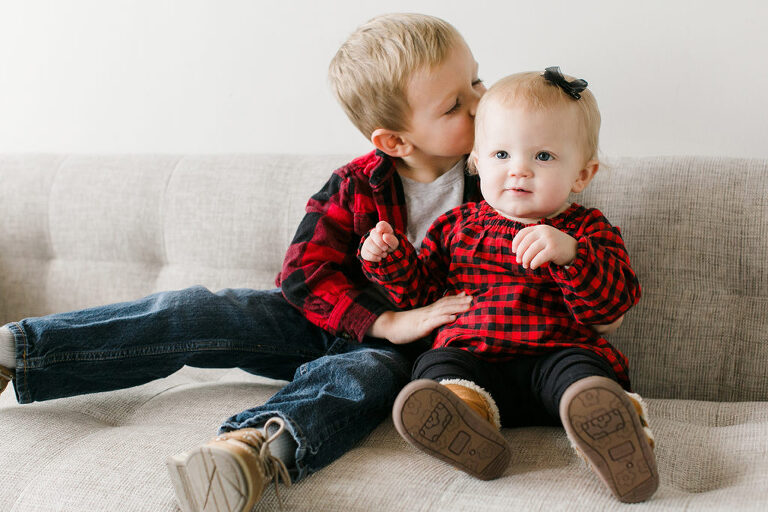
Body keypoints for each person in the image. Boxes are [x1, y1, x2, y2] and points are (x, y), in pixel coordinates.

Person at [0, 13, 485, 512]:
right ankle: (17, 350)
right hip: (327, 320)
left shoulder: (498, 179)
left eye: (476, 80)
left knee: (358, 377)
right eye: (455, 104)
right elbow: (302, 274)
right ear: (395, 142)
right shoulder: (357, 182)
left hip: (407, 353)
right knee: (195, 310)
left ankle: (247, 452)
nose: (481, 102)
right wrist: (383, 319)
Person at [358, 67, 659, 503]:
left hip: (556, 356)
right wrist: (391, 260)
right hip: (475, 358)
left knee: (585, 371)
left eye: (543, 157)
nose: (519, 171)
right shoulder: (454, 227)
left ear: (582, 174)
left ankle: (609, 423)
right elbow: (422, 295)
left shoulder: (587, 230)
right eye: (501, 155)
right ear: (477, 163)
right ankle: (467, 419)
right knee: (438, 367)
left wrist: (571, 254)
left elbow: (610, 306)